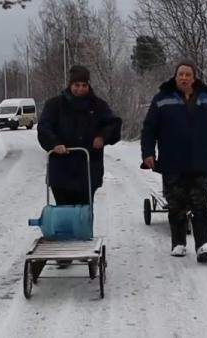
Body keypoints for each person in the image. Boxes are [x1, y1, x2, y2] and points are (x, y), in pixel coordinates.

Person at [37, 65, 121, 268]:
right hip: (62, 165)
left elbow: (113, 124)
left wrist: (103, 136)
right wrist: (54, 143)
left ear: (88, 85)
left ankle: (84, 247)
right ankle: (64, 251)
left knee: (84, 209)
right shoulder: (55, 105)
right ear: (70, 84)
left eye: (84, 85)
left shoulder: (98, 106)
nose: (80, 89)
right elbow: (44, 127)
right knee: (63, 210)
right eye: (76, 85)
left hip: (88, 165)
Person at [141, 60, 207, 263]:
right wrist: (148, 152)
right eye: (180, 74)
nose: (184, 77)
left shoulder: (206, 98)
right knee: (176, 204)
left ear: (194, 78)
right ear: (175, 77)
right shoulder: (162, 99)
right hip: (172, 161)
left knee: (201, 204)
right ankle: (179, 243)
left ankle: (203, 245)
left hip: (199, 161)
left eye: (188, 74)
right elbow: (149, 129)